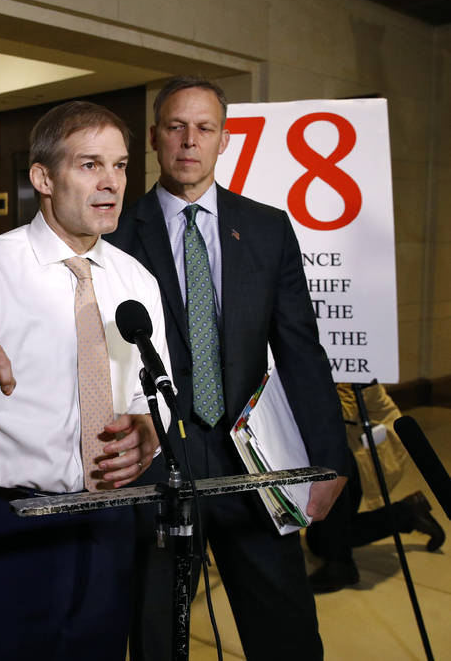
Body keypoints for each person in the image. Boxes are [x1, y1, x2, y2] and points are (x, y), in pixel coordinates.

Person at [0, 102, 171, 661]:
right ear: (43, 177)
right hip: (11, 525)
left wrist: (150, 429)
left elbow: (150, 394)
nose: (112, 183)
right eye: (90, 165)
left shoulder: (136, 279)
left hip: (108, 519)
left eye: (119, 166)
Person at [104, 75, 353, 661]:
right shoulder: (115, 235)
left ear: (225, 139)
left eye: (205, 128)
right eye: (176, 127)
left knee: (286, 630)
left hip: (254, 462)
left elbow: (301, 349)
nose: (190, 140)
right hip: (160, 463)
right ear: (154, 138)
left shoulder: (267, 228)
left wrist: (330, 455)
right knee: (159, 633)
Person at [307, 383, 444, 592]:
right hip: (350, 444)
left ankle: (341, 566)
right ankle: (407, 512)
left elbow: (342, 413)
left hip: (372, 447)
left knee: (331, 468)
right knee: (318, 542)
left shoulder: (348, 362)